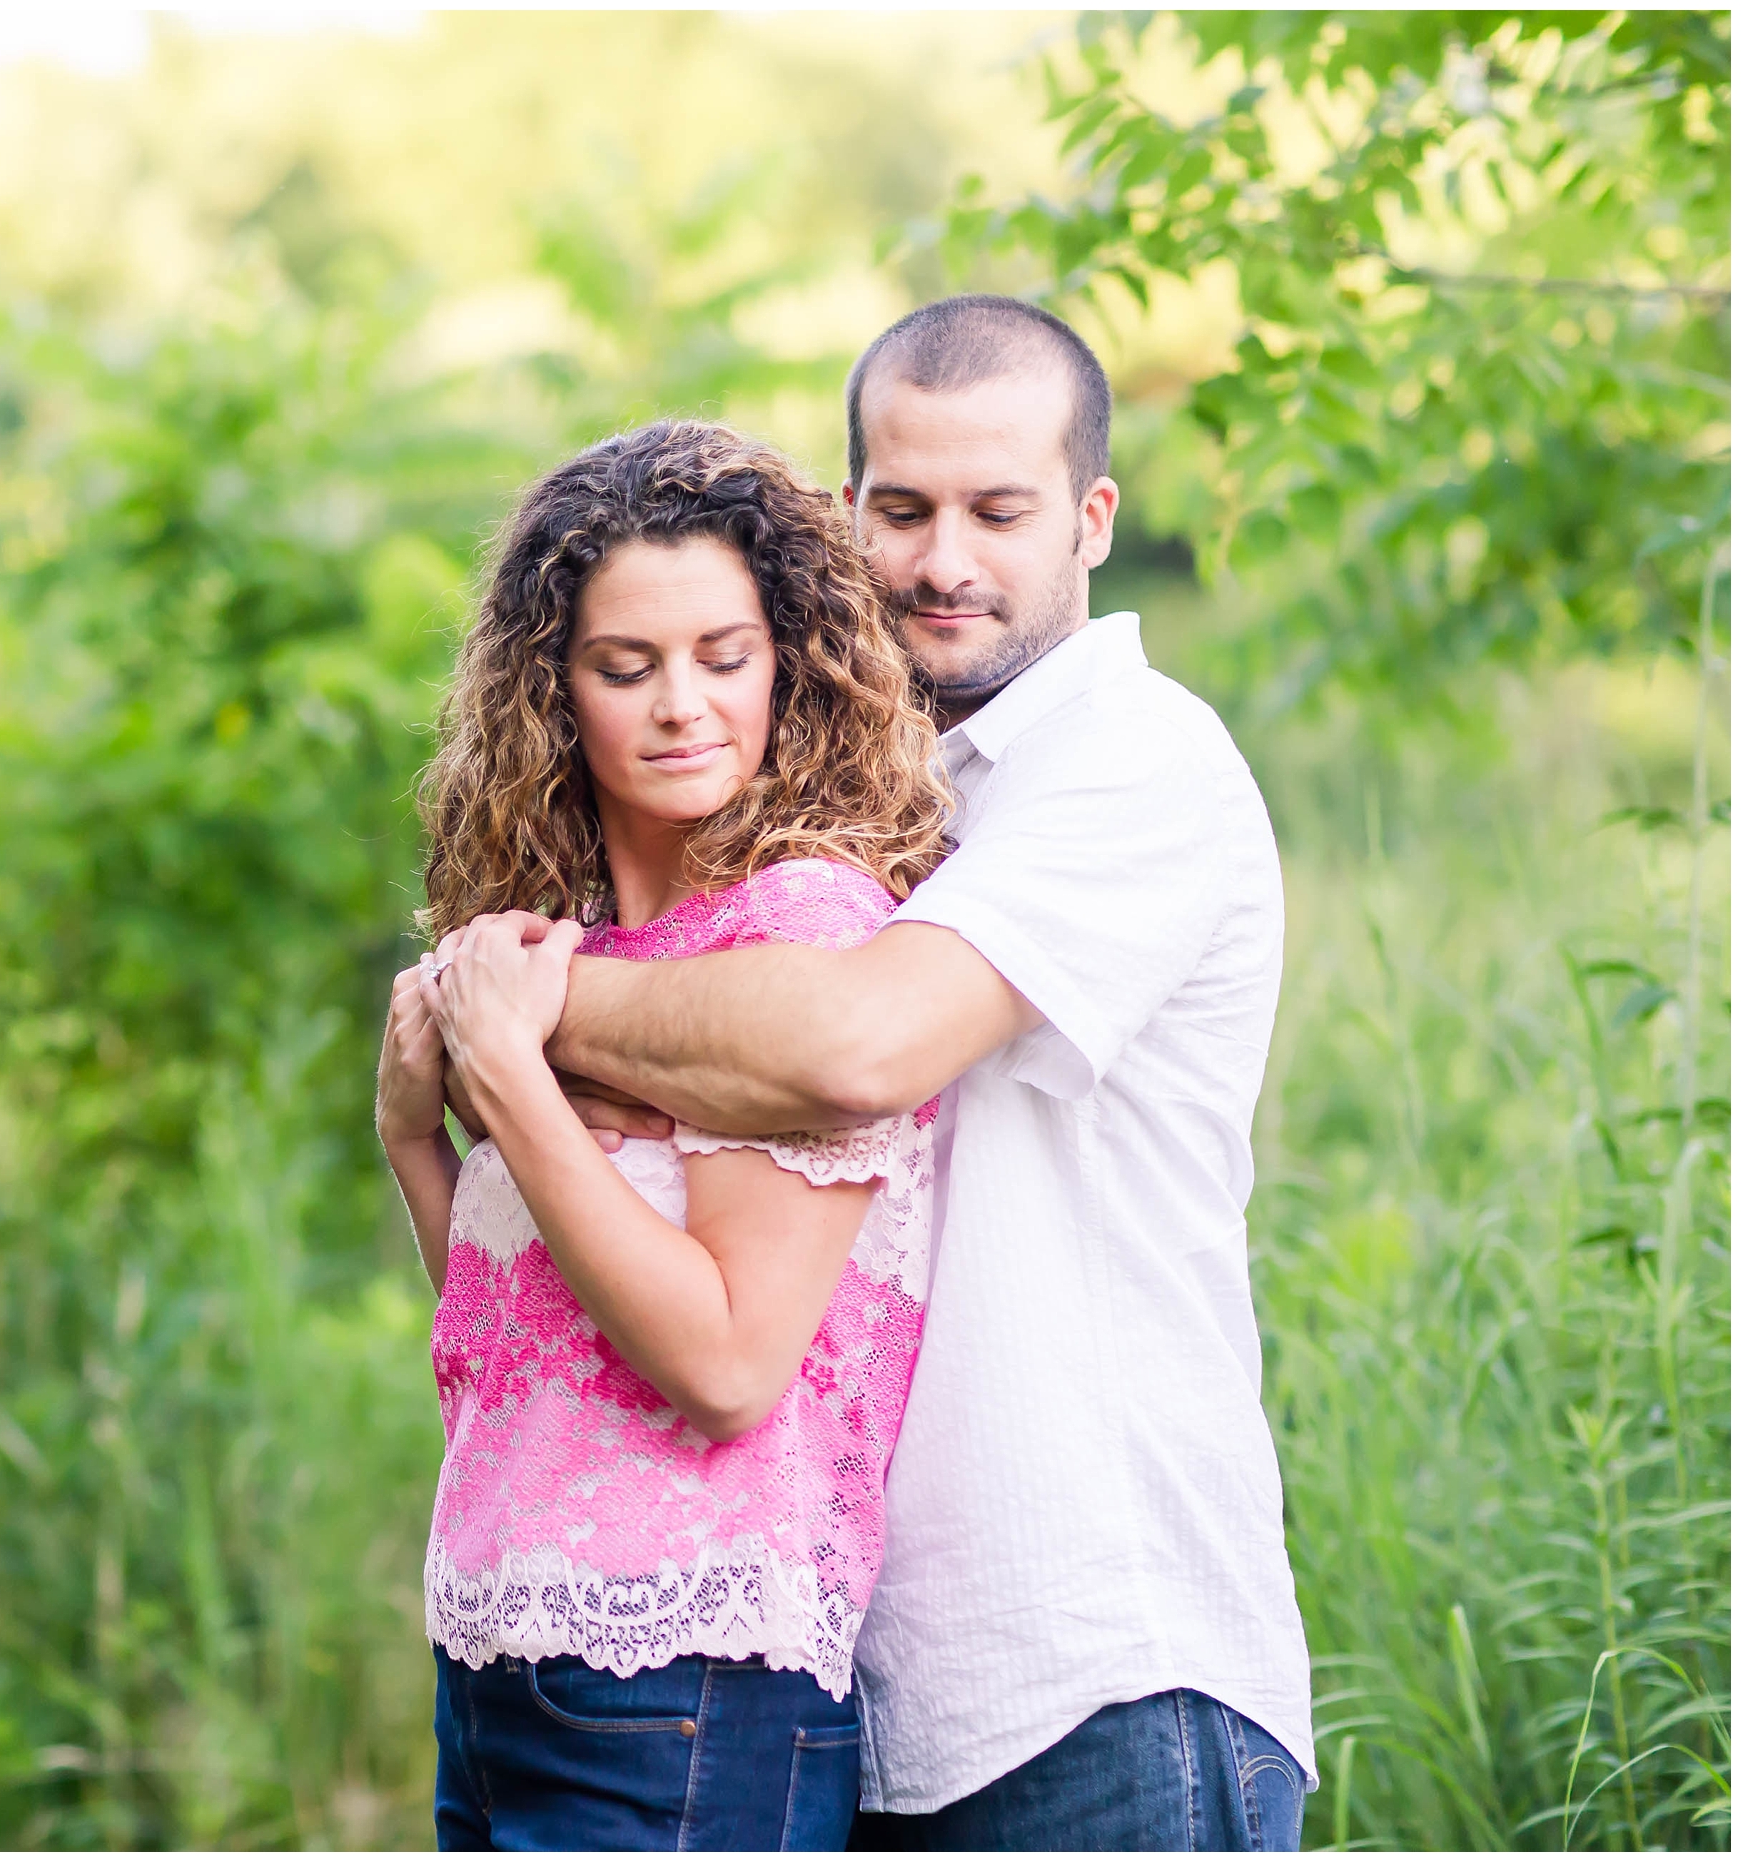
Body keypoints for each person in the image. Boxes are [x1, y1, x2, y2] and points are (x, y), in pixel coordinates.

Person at [479, 296, 1317, 1849]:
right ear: (845, 510)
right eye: (904, 507)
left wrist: (508, 1011)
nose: (946, 560)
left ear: (1093, 519)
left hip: (1098, 1674)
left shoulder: (1134, 760)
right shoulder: (856, 796)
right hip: (859, 1693)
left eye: (1000, 510)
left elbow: (859, 1046)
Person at [374, 419, 953, 1850]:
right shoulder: (568, 957)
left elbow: (724, 1361)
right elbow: (530, 1343)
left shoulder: (801, 931)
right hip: (500, 1662)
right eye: (625, 667)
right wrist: (417, 1148)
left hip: (694, 1677)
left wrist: (504, 1075)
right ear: (556, 692)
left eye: (725, 655)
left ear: (790, 661)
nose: (682, 703)